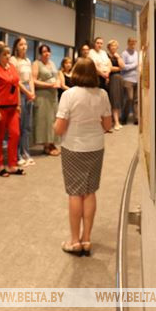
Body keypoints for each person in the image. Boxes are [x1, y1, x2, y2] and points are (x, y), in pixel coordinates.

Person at [53, 58, 112, 256]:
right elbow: (107, 126)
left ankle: (74, 241)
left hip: (73, 147)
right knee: (90, 191)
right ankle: (86, 239)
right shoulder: (102, 94)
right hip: (95, 147)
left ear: (76, 73)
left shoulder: (69, 95)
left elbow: (60, 128)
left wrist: (55, 126)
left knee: (75, 192)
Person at [0, 45, 26, 177]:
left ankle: (12, 164)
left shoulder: (12, 67)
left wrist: (19, 104)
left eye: (8, 54)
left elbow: (16, 86)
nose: (7, 56)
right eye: (4, 54)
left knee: (15, 134)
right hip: (1, 108)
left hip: (13, 107)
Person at [10, 37, 35, 166]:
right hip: (20, 91)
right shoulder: (13, 60)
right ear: (16, 46)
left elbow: (30, 78)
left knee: (27, 125)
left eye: (25, 44)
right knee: (19, 125)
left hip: (29, 91)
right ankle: (17, 154)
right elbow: (16, 80)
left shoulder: (28, 60)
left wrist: (32, 92)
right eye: (21, 44)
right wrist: (27, 92)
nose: (24, 46)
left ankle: (26, 153)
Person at [32, 44, 60, 156]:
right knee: (45, 120)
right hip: (43, 95)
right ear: (40, 54)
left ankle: (52, 142)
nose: (46, 53)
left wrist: (57, 83)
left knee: (53, 119)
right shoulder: (36, 64)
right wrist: (49, 85)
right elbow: (33, 80)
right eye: (44, 52)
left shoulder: (52, 63)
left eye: (48, 51)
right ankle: (46, 145)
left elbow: (57, 77)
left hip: (53, 95)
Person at [106, 39, 125, 131]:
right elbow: (110, 68)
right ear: (109, 47)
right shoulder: (106, 56)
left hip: (119, 79)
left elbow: (123, 66)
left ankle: (116, 121)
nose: (113, 47)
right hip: (112, 78)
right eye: (112, 45)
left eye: (115, 45)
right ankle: (116, 122)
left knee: (118, 100)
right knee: (114, 100)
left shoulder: (118, 56)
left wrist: (118, 58)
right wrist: (119, 68)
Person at [121, 37, 139, 125]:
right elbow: (123, 67)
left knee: (136, 100)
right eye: (131, 42)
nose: (133, 44)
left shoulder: (137, 53)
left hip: (137, 79)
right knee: (129, 99)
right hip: (127, 79)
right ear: (128, 43)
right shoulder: (124, 53)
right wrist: (134, 65)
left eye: (134, 42)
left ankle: (136, 118)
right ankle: (124, 118)